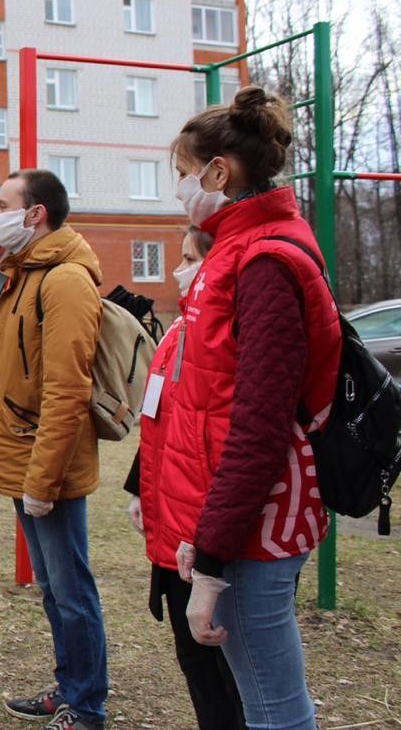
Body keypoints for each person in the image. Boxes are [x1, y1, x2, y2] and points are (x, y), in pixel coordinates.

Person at [163, 87, 340, 729]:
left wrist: (213, 555)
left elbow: (258, 423)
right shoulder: (243, 247)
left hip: (257, 516)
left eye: (184, 175)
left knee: (272, 706)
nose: (180, 190)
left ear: (219, 171)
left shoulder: (262, 260)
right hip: (240, 510)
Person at [0, 169, 108, 730]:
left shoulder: (65, 280)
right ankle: (69, 688)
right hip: (22, 458)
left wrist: (42, 481)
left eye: (2, 203)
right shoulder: (21, 276)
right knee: (54, 590)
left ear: (35, 214)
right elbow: (3, 379)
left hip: (47, 468)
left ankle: (88, 705)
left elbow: (67, 389)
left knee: (71, 590)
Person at [123, 228, 247, 730]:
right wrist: (138, 486)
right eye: (180, 258)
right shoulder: (179, 330)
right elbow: (162, 416)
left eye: (192, 259)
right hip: (174, 522)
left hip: (212, 529)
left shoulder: (230, 331)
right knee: (196, 662)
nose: (181, 269)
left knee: (230, 669)